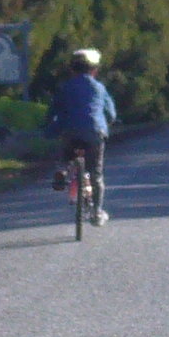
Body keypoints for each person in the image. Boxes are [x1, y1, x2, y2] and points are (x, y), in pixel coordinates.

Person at [44, 48, 117, 225]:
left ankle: (62, 170)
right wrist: (106, 124)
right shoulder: (99, 88)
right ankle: (97, 213)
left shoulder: (65, 87)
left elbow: (52, 112)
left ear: (72, 69)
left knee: (66, 152)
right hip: (94, 132)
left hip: (70, 130)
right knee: (96, 174)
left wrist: (50, 127)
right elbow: (111, 114)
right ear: (94, 70)